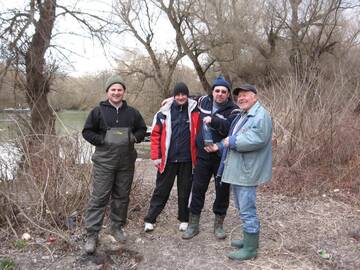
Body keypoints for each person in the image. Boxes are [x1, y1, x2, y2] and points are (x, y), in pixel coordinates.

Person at [204, 83, 272, 260]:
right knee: (242, 207)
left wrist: (230, 142)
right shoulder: (244, 114)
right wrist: (218, 146)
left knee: (247, 209)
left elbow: (257, 138)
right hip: (240, 169)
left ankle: (250, 249)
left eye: (245, 95)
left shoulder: (260, 115)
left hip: (247, 171)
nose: (241, 98)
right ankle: (250, 240)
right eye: (239, 96)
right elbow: (230, 139)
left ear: (255, 97)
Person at [82, 74, 147, 254]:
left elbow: (142, 129)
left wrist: (135, 137)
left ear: (124, 92)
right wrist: (102, 140)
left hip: (126, 162)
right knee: (99, 197)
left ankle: (116, 227)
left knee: (121, 196)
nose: (116, 92)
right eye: (113, 89)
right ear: (107, 91)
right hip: (104, 162)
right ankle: (92, 234)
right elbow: (87, 132)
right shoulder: (97, 111)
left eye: (119, 89)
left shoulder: (132, 112)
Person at [182, 76, 238, 240]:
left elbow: (229, 128)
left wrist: (213, 121)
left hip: (222, 157)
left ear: (228, 94)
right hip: (203, 155)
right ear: (212, 92)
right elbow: (186, 97)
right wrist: (171, 98)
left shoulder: (233, 110)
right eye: (217, 91)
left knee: (222, 191)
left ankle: (218, 224)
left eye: (223, 92)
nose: (220, 94)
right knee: (198, 188)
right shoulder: (203, 102)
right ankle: (193, 225)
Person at [143, 82, 200, 232]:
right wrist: (156, 156)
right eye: (178, 94)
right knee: (161, 190)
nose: (181, 97)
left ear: (187, 95)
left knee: (185, 191)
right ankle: (150, 219)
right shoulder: (163, 112)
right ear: (174, 96)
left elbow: (208, 97)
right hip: (167, 160)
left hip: (188, 160)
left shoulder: (195, 110)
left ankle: (184, 219)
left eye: (183, 94)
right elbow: (155, 135)